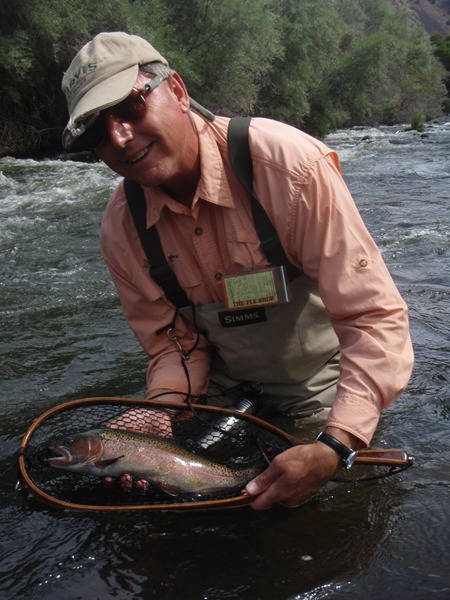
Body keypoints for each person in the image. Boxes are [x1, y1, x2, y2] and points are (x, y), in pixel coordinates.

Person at [61, 32, 414, 509]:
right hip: (221, 389)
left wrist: (336, 442)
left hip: (317, 385)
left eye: (130, 108)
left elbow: (372, 320)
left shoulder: (289, 169)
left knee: (303, 523)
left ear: (179, 92)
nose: (119, 137)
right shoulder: (121, 229)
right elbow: (172, 344)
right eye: (97, 132)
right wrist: (159, 415)